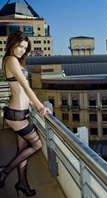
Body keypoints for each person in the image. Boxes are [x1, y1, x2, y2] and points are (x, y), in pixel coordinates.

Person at [0, 31, 51, 197]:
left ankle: (22, 183)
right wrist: (40, 106)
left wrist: (31, 104)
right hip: (16, 114)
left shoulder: (11, 60)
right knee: (36, 145)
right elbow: (26, 87)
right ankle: (4, 173)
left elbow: (20, 90)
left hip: (22, 112)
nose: (22, 50)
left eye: (25, 48)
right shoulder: (11, 60)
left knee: (23, 149)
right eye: (20, 46)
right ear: (12, 43)